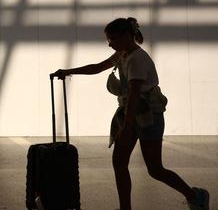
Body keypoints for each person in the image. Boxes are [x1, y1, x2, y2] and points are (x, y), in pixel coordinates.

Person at [51, 17, 210, 210]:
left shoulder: (137, 59)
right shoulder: (122, 54)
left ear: (127, 36)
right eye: (108, 40)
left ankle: (195, 195)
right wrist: (68, 71)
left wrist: (126, 127)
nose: (110, 44)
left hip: (148, 117)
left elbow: (135, 95)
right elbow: (98, 67)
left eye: (113, 39)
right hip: (130, 114)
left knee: (155, 169)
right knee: (119, 162)